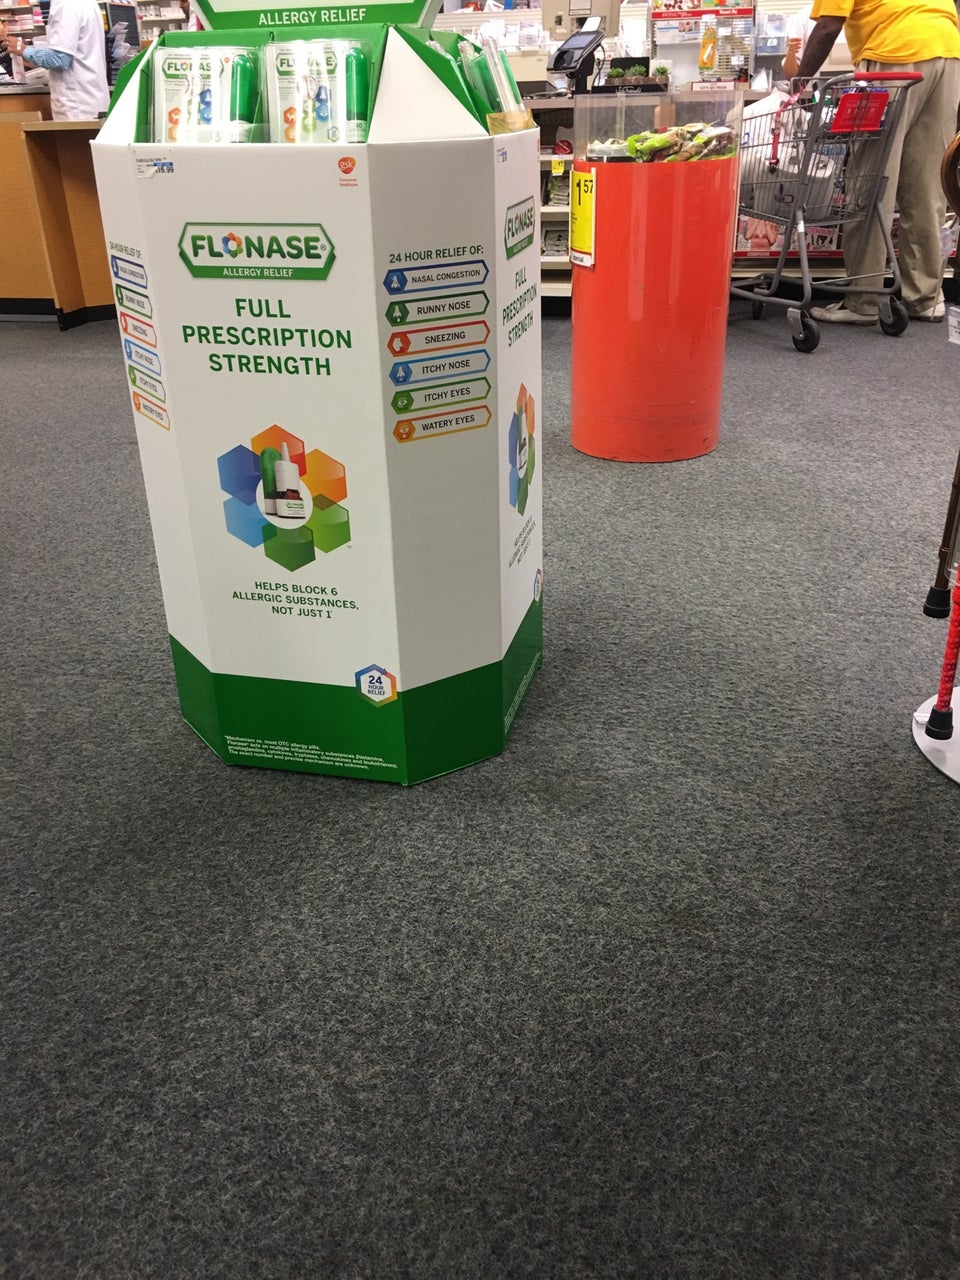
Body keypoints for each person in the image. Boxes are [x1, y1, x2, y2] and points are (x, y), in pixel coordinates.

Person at [795, 0, 960, 323]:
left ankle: (864, 300)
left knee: (871, 182)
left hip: (894, 55)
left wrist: (798, 84)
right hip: (949, 55)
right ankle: (925, 298)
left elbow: (829, 25)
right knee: (928, 187)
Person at [0, 0, 109, 121]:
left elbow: (58, 60)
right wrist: (31, 58)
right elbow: (77, 52)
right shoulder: (87, 3)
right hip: (92, 99)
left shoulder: (65, 5)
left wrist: (24, 50)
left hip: (76, 105)